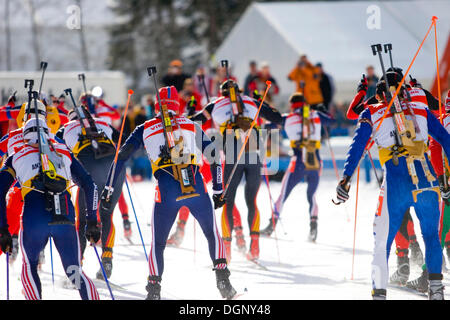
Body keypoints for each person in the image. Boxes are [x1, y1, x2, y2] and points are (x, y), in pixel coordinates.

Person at [101, 86, 237, 300]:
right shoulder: (191, 124)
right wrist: (219, 191)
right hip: (195, 186)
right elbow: (214, 157)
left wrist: (108, 188)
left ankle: (154, 290)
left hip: (166, 189)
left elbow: (120, 157)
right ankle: (224, 282)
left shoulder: (144, 127)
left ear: (157, 105)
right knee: (212, 233)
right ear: (178, 105)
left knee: (158, 242)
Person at [335, 69, 450, 300]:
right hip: (427, 179)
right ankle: (436, 290)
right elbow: (445, 139)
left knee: (381, 241)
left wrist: (346, 178)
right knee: (431, 236)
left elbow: (357, 145)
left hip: (396, 181)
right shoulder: (420, 107)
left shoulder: (373, 111)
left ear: (379, 94)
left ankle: (380, 293)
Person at [0, 96, 101, 300]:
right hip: (64, 212)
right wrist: (92, 220)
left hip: (34, 215)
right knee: (75, 271)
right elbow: (90, 185)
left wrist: (3, 229)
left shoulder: (17, 154)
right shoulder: (63, 150)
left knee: (29, 266)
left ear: (25, 135)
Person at [346, 71, 426, 286]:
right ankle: (420, 260)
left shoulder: (394, 97)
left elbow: (353, 113)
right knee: (412, 214)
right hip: (421, 167)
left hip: (398, 167)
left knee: (397, 214)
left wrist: (361, 91)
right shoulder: (411, 95)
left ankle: (405, 265)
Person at [191, 79, 282, 261]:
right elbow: (277, 118)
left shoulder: (215, 103)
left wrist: (187, 115)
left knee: (227, 201)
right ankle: (254, 246)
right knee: (251, 201)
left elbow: (195, 121)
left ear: (222, 92)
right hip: (254, 151)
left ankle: (227, 249)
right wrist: (261, 103)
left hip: (232, 153)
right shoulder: (251, 101)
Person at [56, 103, 126, 280]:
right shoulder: (102, 123)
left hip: (89, 170)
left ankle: (77, 265)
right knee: (107, 215)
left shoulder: (65, 128)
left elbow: (54, 151)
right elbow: (124, 140)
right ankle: (107, 258)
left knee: (82, 221)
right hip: (114, 169)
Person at [260, 92, 333, 240]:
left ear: (292, 105)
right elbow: (331, 121)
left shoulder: (288, 118)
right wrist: (321, 111)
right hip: (316, 161)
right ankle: (313, 228)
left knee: (283, 194)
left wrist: (263, 109)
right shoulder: (315, 115)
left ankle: (271, 226)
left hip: (298, 161)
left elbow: (269, 124)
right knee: (311, 195)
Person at [406, 89, 450, 293]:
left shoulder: (445, 119)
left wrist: (441, 181)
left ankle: (427, 277)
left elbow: (434, 147)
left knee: (440, 229)